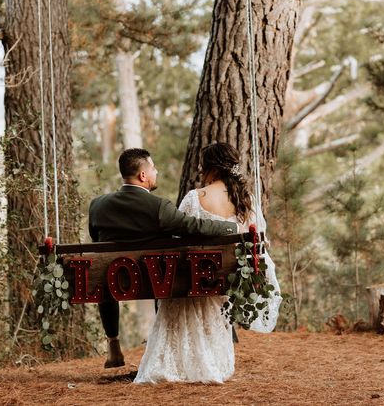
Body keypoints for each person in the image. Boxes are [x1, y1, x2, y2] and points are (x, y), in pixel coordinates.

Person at [134, 142, 282, 384]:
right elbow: (258, 240)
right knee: (209, 291)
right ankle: (212, 363)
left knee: (182, 284)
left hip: (195, 279)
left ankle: (178, 364)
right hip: (224, 283)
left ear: (210, 168)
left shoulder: (195, 197)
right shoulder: (247, 201)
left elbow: (178, 240)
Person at [88, 148, 239, 369]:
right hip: (156, 281)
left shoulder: (97, 206)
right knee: (166, 270)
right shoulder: (158, 207)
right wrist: (231, 227)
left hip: (115, 281)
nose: (156, 172)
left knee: (105, 274)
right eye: (153, 168)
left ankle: (113, 343)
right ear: (143, 176)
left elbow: (96, 242)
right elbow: (194, 227)